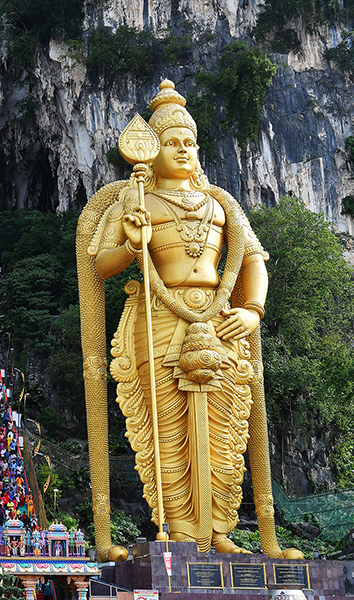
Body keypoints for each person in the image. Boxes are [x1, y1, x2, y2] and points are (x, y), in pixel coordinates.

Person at [80, 79, 300, 560]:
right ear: (151, 150)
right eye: (172, 143)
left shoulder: (221, 202)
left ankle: (221, 529)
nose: (183, 150)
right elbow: (99, 264)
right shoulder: (134, 201)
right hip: (158, 317)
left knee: (226, 426)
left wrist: (252, 309)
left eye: (189, 143)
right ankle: (179, 531)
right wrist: (132, 243)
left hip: (220, 317)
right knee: (167, 429)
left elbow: (252, 259)